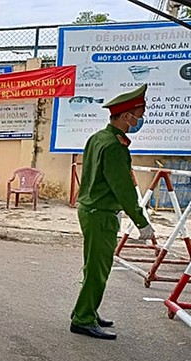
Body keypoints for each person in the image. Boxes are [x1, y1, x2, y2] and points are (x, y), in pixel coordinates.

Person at [70, 84, 154, 340]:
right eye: (138, 113)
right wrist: (142, 222)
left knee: (93, 266)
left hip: (90, 209)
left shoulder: (98, 138)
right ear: (126, 115)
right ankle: (83, 318)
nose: (140, 119)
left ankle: (88, 311)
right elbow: (123, 189)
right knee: (98, 268)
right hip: (101, 213)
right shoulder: (115, 147)